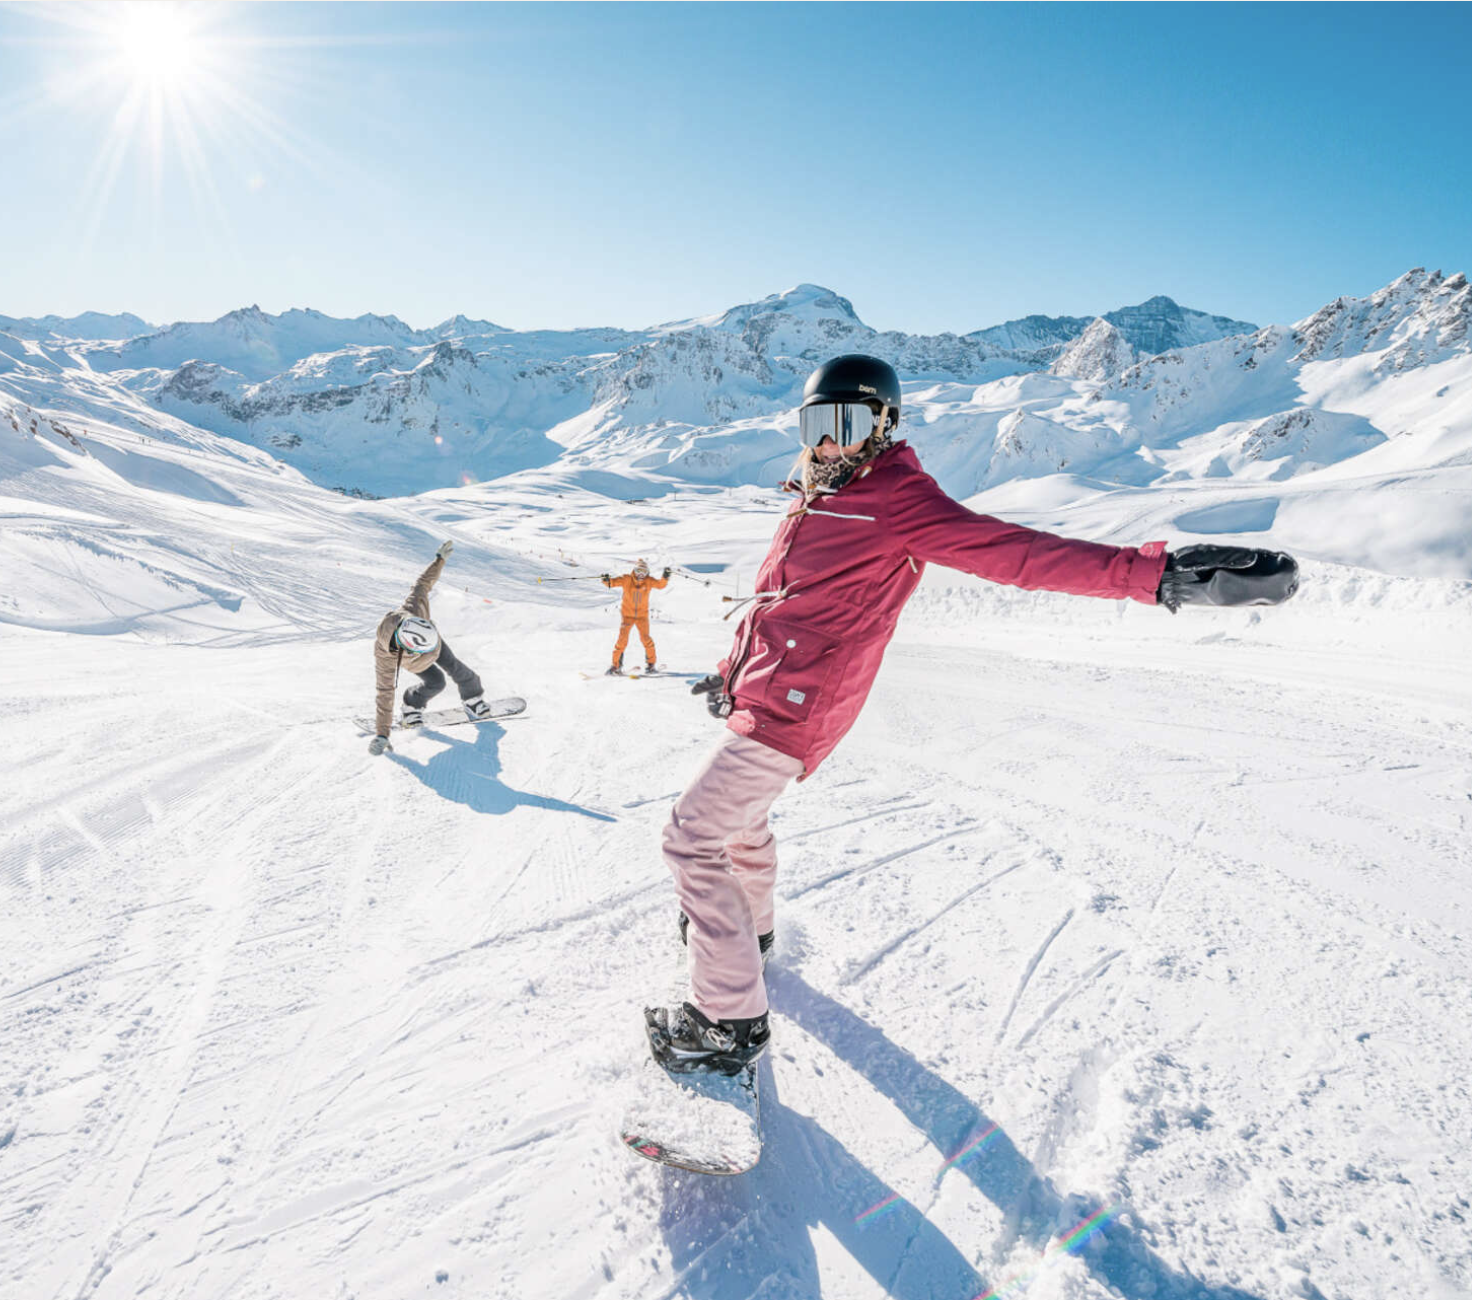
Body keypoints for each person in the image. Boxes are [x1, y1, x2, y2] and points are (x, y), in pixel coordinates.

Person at [646, 354, 1299, 1075]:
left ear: (883, 424)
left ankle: (727, 1021)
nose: (829, 440)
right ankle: (752, 937)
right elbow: (784, 602)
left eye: (848, 422)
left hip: (797, 703)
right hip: (769, 690)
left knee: (690, 836)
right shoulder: (825, 491)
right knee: (741, 822)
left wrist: (1156, 575)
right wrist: (729, 675)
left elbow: (1014, 555)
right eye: (817, 424)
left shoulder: (896, 498)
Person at [368, 541, 494, 755]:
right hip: (415, 663)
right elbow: (384, 692)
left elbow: (423, 583)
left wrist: (439, 560)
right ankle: (411, 707)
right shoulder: (386, 656)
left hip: (433, 641)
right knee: (436, 682)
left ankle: (473, 700)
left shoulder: (414, 608)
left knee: (460, 670)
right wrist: (382, 733)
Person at [601, 558, 671, 675]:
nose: (641, 574)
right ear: (634, 571)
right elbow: (611, 583)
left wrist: (665, 576)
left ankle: (650, 665)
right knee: (622, 641)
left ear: (647, 572)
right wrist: (606, 579)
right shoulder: (626, 579)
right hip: (627, 616)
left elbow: (660, 585)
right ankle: (616, 666)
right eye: (638, 571)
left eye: (643, 571)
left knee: (646, 640)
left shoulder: (649, 581)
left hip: (642, 617)